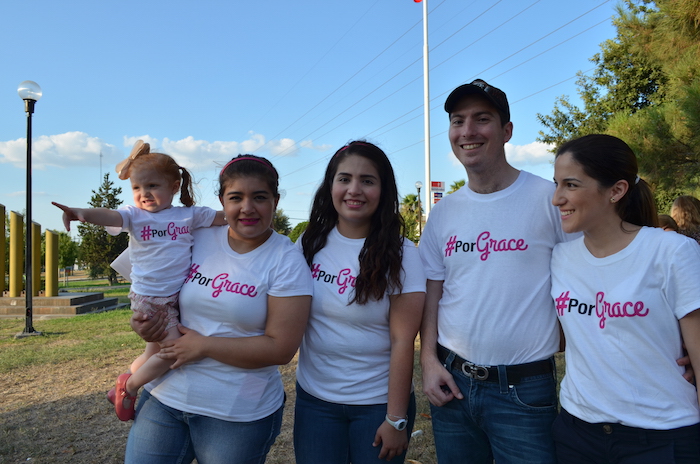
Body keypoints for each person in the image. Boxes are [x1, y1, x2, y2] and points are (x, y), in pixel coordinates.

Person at [126, 154, 312, 463]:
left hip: (235, 414)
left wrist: (204, 346)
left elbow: (281, 349)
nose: (247, 208)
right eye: (236, 197)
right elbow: (149, 285)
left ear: (276, 201)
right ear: (221, 201)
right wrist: (143, 324)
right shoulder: (192, 234)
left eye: (260, 197)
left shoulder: (286, 260)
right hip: (165, 397)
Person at [418, 79, 568, 463]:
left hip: (524, 390)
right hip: (453, 385)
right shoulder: (443, 213)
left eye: (481, 119)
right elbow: (433, 292)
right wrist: (430, 362)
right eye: (457, 120)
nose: (467, 131)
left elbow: (590, 277)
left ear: (506, 131)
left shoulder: (549, 200)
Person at [550, 134, 700, 463]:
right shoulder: (559, 258)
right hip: (578, 432)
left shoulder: (672, 252)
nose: (556, 198)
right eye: (556, 184)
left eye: (571, 185)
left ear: (616, 191)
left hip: (662, 437)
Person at [52, 140, 226, 421]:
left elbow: (222, 217)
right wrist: (80, 213)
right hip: (149, 300)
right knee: (171, 354)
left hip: (174, 300)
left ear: (174, 186)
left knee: (151, 354)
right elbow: (109, 215)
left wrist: (245, 213)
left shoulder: (188, 215)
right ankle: (128, 387)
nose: (143, 194)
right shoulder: (135, 217)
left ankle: (121, 382)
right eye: (137, 188)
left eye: (152, 186)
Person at [294, 141, 425, 463]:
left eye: (367, 180)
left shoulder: (404, 253)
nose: (354, 190)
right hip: (315, 402)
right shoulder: (308, 243)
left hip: (377, 405)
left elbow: (403, 339)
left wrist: (396, 418)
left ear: (383, 190)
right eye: (344, 179)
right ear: (331, 185)